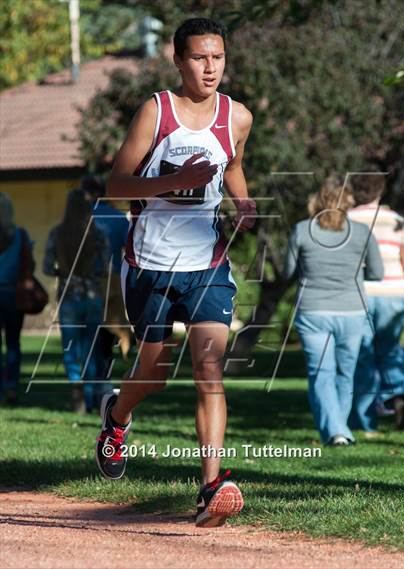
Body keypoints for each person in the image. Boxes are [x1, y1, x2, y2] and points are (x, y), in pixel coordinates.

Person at [95, 17, 256, 528]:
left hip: (206, 263)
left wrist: (244, 202)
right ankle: (117, 416)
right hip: (150, 265)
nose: (210, 68)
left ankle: (211, 485)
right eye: (199, 58)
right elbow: (117, 186)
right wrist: (177, 181)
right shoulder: (157, 112)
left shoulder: (237, 117)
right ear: (178, 59)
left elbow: (231, 166)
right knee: (155, 375)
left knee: (209, 370)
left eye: (218, 58)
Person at [282, 176, 383, 446]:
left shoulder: (302, 230)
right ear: (348, 203)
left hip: (313, 312)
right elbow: (377, 273)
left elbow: (287, 273)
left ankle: (336, 430)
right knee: (344, 373)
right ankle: (339, 429)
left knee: (321, 374)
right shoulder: (363, 232)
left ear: (317, 202)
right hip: (352, 312)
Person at [348, 171, 404, 432]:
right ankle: (399, 395)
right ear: (380, 192)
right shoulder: (397, 221)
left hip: (359, 294)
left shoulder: (347, 219)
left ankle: (364, 420)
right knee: (390, 351)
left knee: (362, 354)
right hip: (395, 293)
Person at [43, 189, 110, 413]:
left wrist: (62, 271)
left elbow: (46, 267)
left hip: (68, 296)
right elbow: (105, 266)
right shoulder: (97, 234)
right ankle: (90, 396)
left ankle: (76, 388)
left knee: (70, 347)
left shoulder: (57, 233)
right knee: (92, 348)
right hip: (92, 297)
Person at [82, 175, 131, 379]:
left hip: (87, 281)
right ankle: (105, 378)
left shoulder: (81, 218)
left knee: (88, 333)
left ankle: (89, 385)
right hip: (113, 281)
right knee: (109, 330)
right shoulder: (118, 218)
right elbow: (130, 250)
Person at [0, 193, 35, 404]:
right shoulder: (20, 234)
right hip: (14, 294)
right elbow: (29, 264)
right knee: (13, 343)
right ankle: (11, 386)